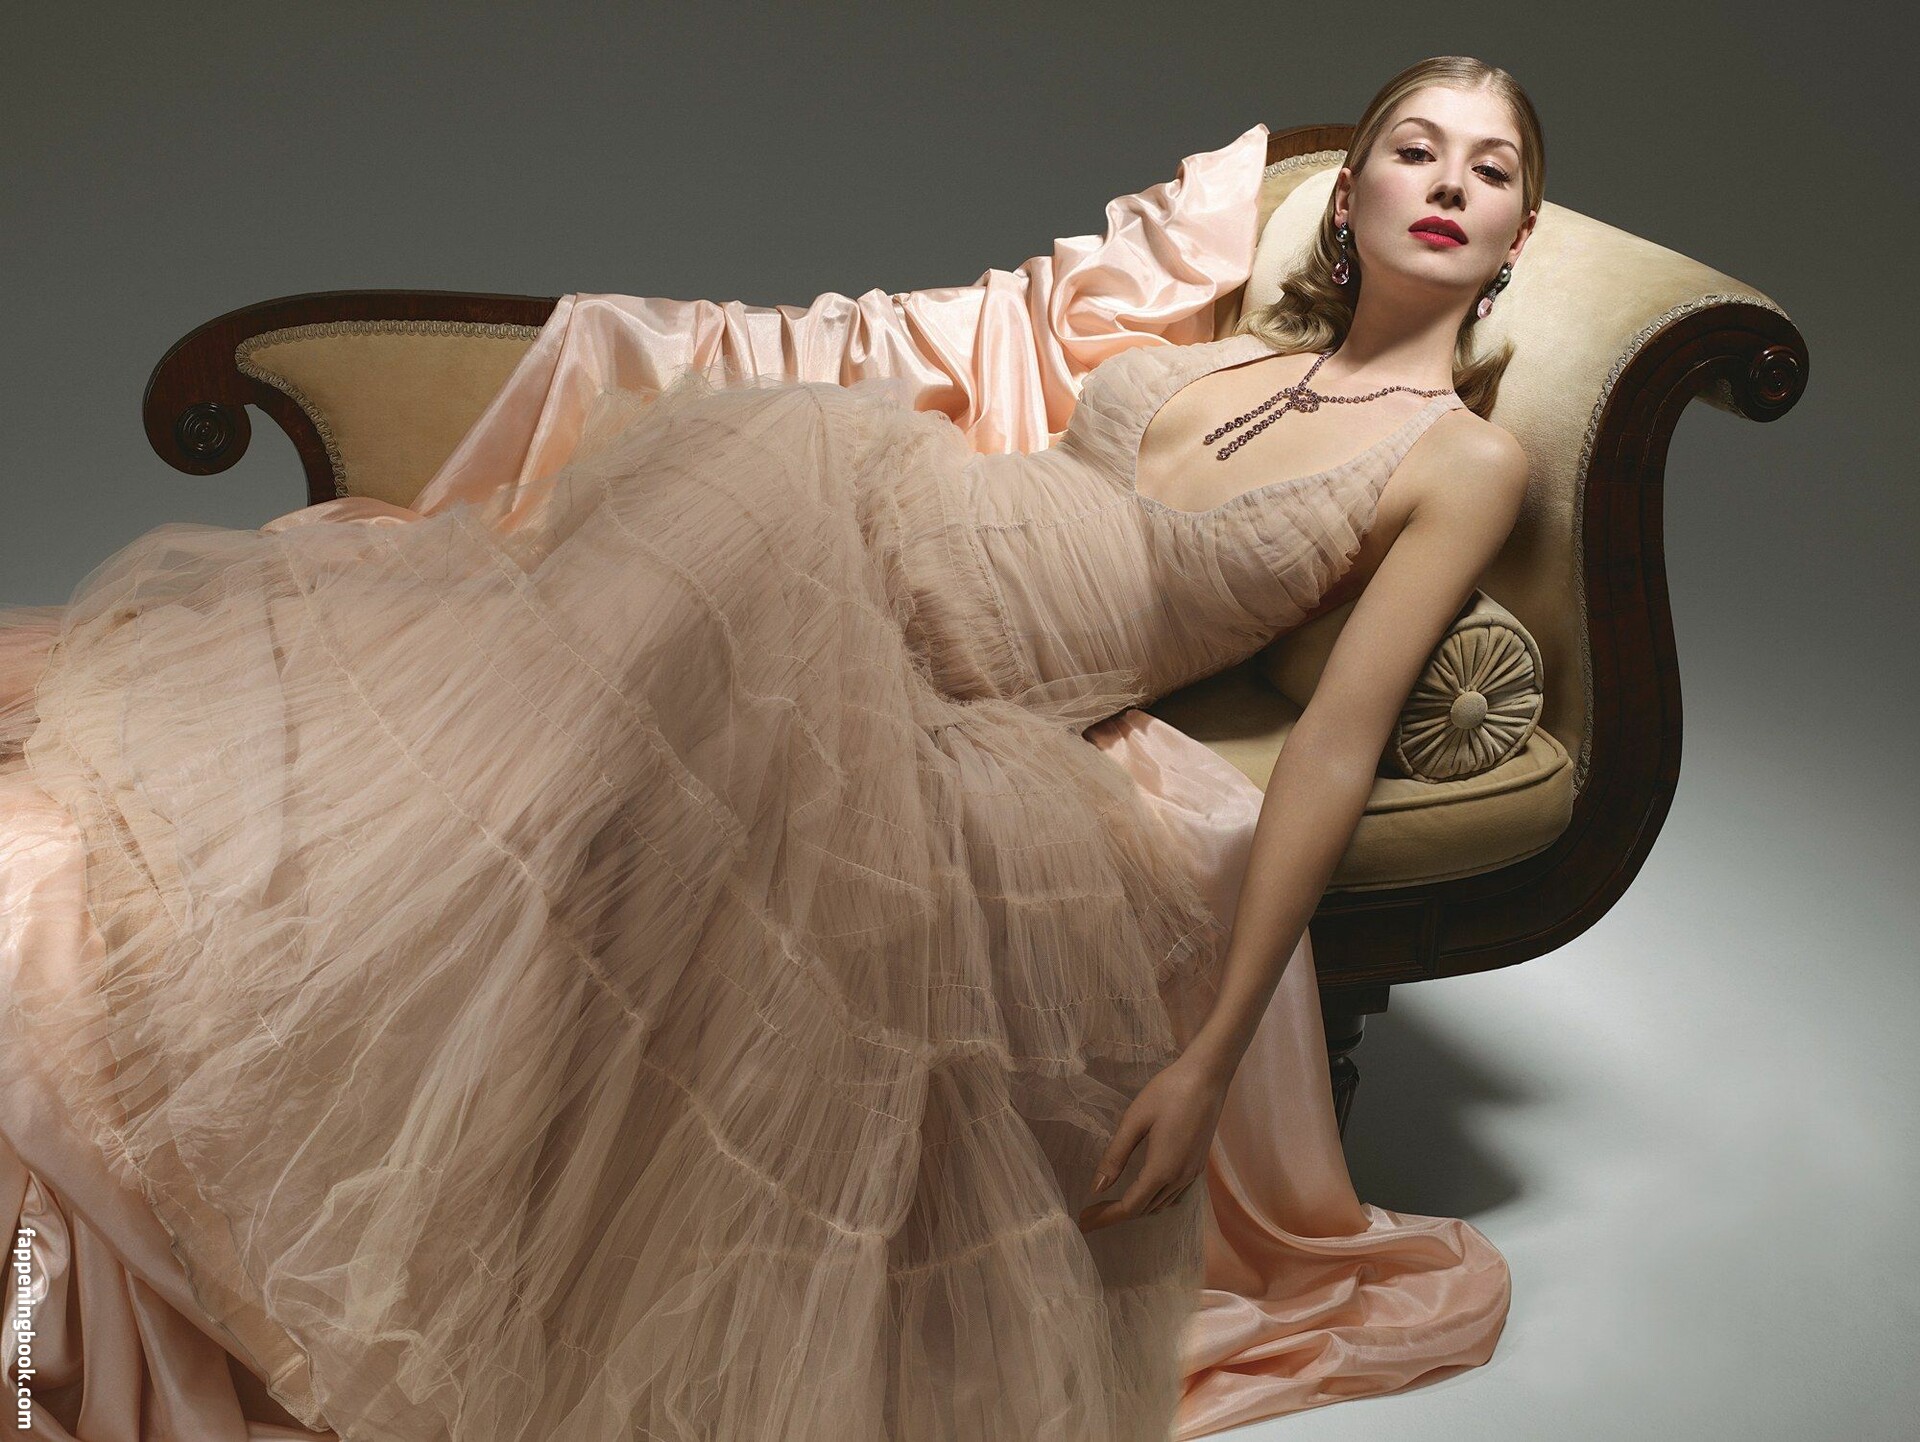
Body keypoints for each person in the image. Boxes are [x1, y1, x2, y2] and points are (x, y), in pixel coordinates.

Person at [0, 53, 1536, 1442]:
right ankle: (302, 985)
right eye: (1417, 149)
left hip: (949, 666)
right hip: (857, 514)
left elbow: (1335, 745)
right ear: (1350, 194)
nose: (1449, 185)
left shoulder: (1463, 458)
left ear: (1521, 231)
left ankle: (357, 1134)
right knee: (521, 738)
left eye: (1491, 168)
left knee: (607, 802)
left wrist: (1208, 1059)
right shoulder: (1226, 352)